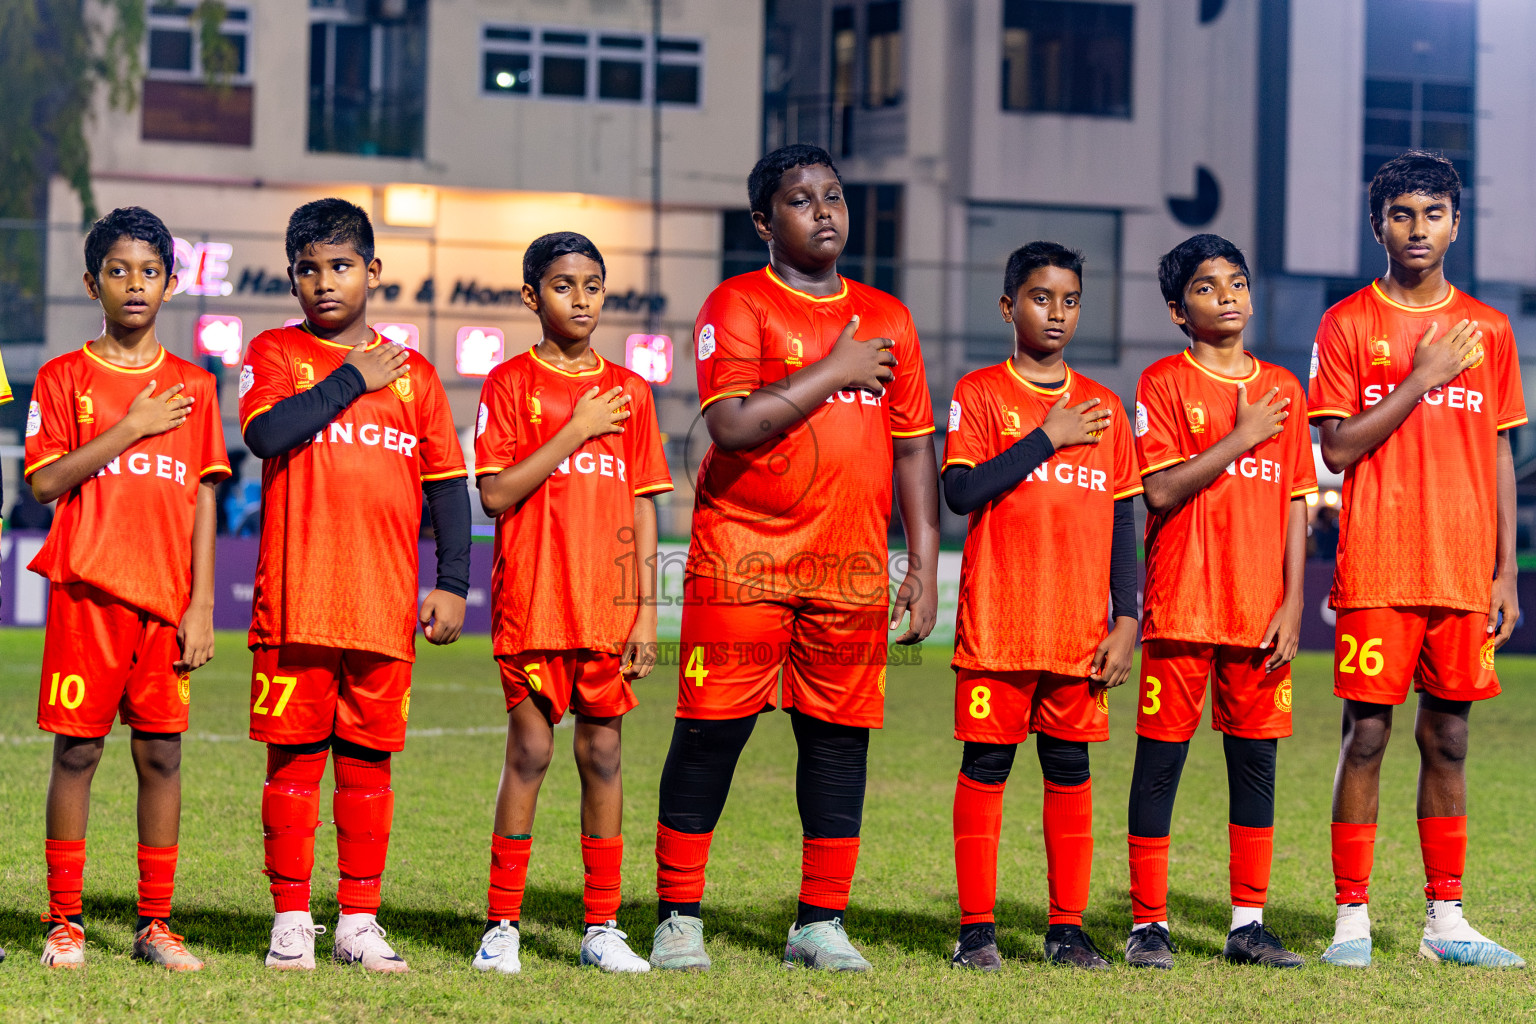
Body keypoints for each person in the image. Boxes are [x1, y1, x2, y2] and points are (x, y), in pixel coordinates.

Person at [649, 144, 940, 973]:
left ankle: (820, 923)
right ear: (763, 222)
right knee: (711, 736)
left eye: (834, 196)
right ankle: (678, 916)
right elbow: (734, 426)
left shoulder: (889, 315)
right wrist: (837, 368)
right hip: (742, 557)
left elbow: (916, 449)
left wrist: (920, 565)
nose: (824, 211)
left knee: (839, 742)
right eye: (802, 199)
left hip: (849, 569)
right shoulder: (737, 304)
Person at [238, 197, 472, 972]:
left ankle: (359, 921)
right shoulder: (274, 351)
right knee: (294, 763)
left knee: (370, 767)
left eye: (340, 266)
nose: (323, 283)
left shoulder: (417, 377)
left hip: (381, 606)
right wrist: (351, 376)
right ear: (292, 277)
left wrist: (453, 583)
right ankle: (292, 919)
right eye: (307, 269)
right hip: (296, 600)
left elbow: (446, 488)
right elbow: (267, 433)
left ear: (372, 271)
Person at [1310, 151, 1525, 969]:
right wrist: (1422, 376)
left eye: (1433, 213)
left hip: (1463, 574)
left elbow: (1503, 454)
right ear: (1378, 226)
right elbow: (1335, 449)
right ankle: (1352, 923)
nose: (1418, 229)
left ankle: (1447, 922)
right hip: (1378, 567)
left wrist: (1503, 570)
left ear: (1456, 223)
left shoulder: (1490, 330)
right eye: (1402, 214)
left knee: (1451, 740)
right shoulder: (1348, 325)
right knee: (1365, 737)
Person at [26, 207, 229, 970]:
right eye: (119, 270)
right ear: (92, 283)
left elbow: (204, 497)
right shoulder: (64, 377)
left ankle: (154, 924)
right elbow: (45, 480)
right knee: (77, 755)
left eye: (150, 271)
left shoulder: (194, 387)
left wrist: (202, 604)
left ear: (171, 285)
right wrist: (131, 427)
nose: (135, 284)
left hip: (165, 602)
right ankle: (65, 921)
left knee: (163, 759)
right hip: (88, 596)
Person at [470, 232, 672, 975]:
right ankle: (502, 926)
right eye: (563, 285)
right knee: (530, 751)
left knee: (605, 754)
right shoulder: (508, 384)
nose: (581, 299)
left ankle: (602, 927)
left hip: (605, 612)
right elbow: (495, 494)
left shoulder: (632, 392)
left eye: (592, 284)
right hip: (534, 605)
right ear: (532, 297)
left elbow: (648, 508)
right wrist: (575, 430)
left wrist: (646, 613)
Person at [942, 242, 1140, 971]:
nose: (1054, 312)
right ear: (1008, 306)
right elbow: (961, 491)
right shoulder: (981, 393)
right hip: (1000, 621)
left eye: (1069, 300)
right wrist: (1047, 436)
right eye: (1039, 297)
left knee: (1070, 771)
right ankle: (976, 930)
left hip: (1079, 630)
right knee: (986, 768)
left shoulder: (1106, 409)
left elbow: (1124, 521)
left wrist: (1128, 619)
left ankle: (1067, 928)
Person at [1126, 234, 1315, 969]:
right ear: (1179, 310)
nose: (1228, 295)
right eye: (1207, 287)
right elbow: (1160, 490)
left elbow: (1299, 504)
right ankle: (1149, 924)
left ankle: (1247, 924)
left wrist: (1295, 601)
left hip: (1261, 611)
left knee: (1256, 765)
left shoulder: (1285, 391)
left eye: (1237, 281)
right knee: (1160, 764)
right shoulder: (1163, 382)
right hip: (1181, 605)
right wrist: (1240, 436)